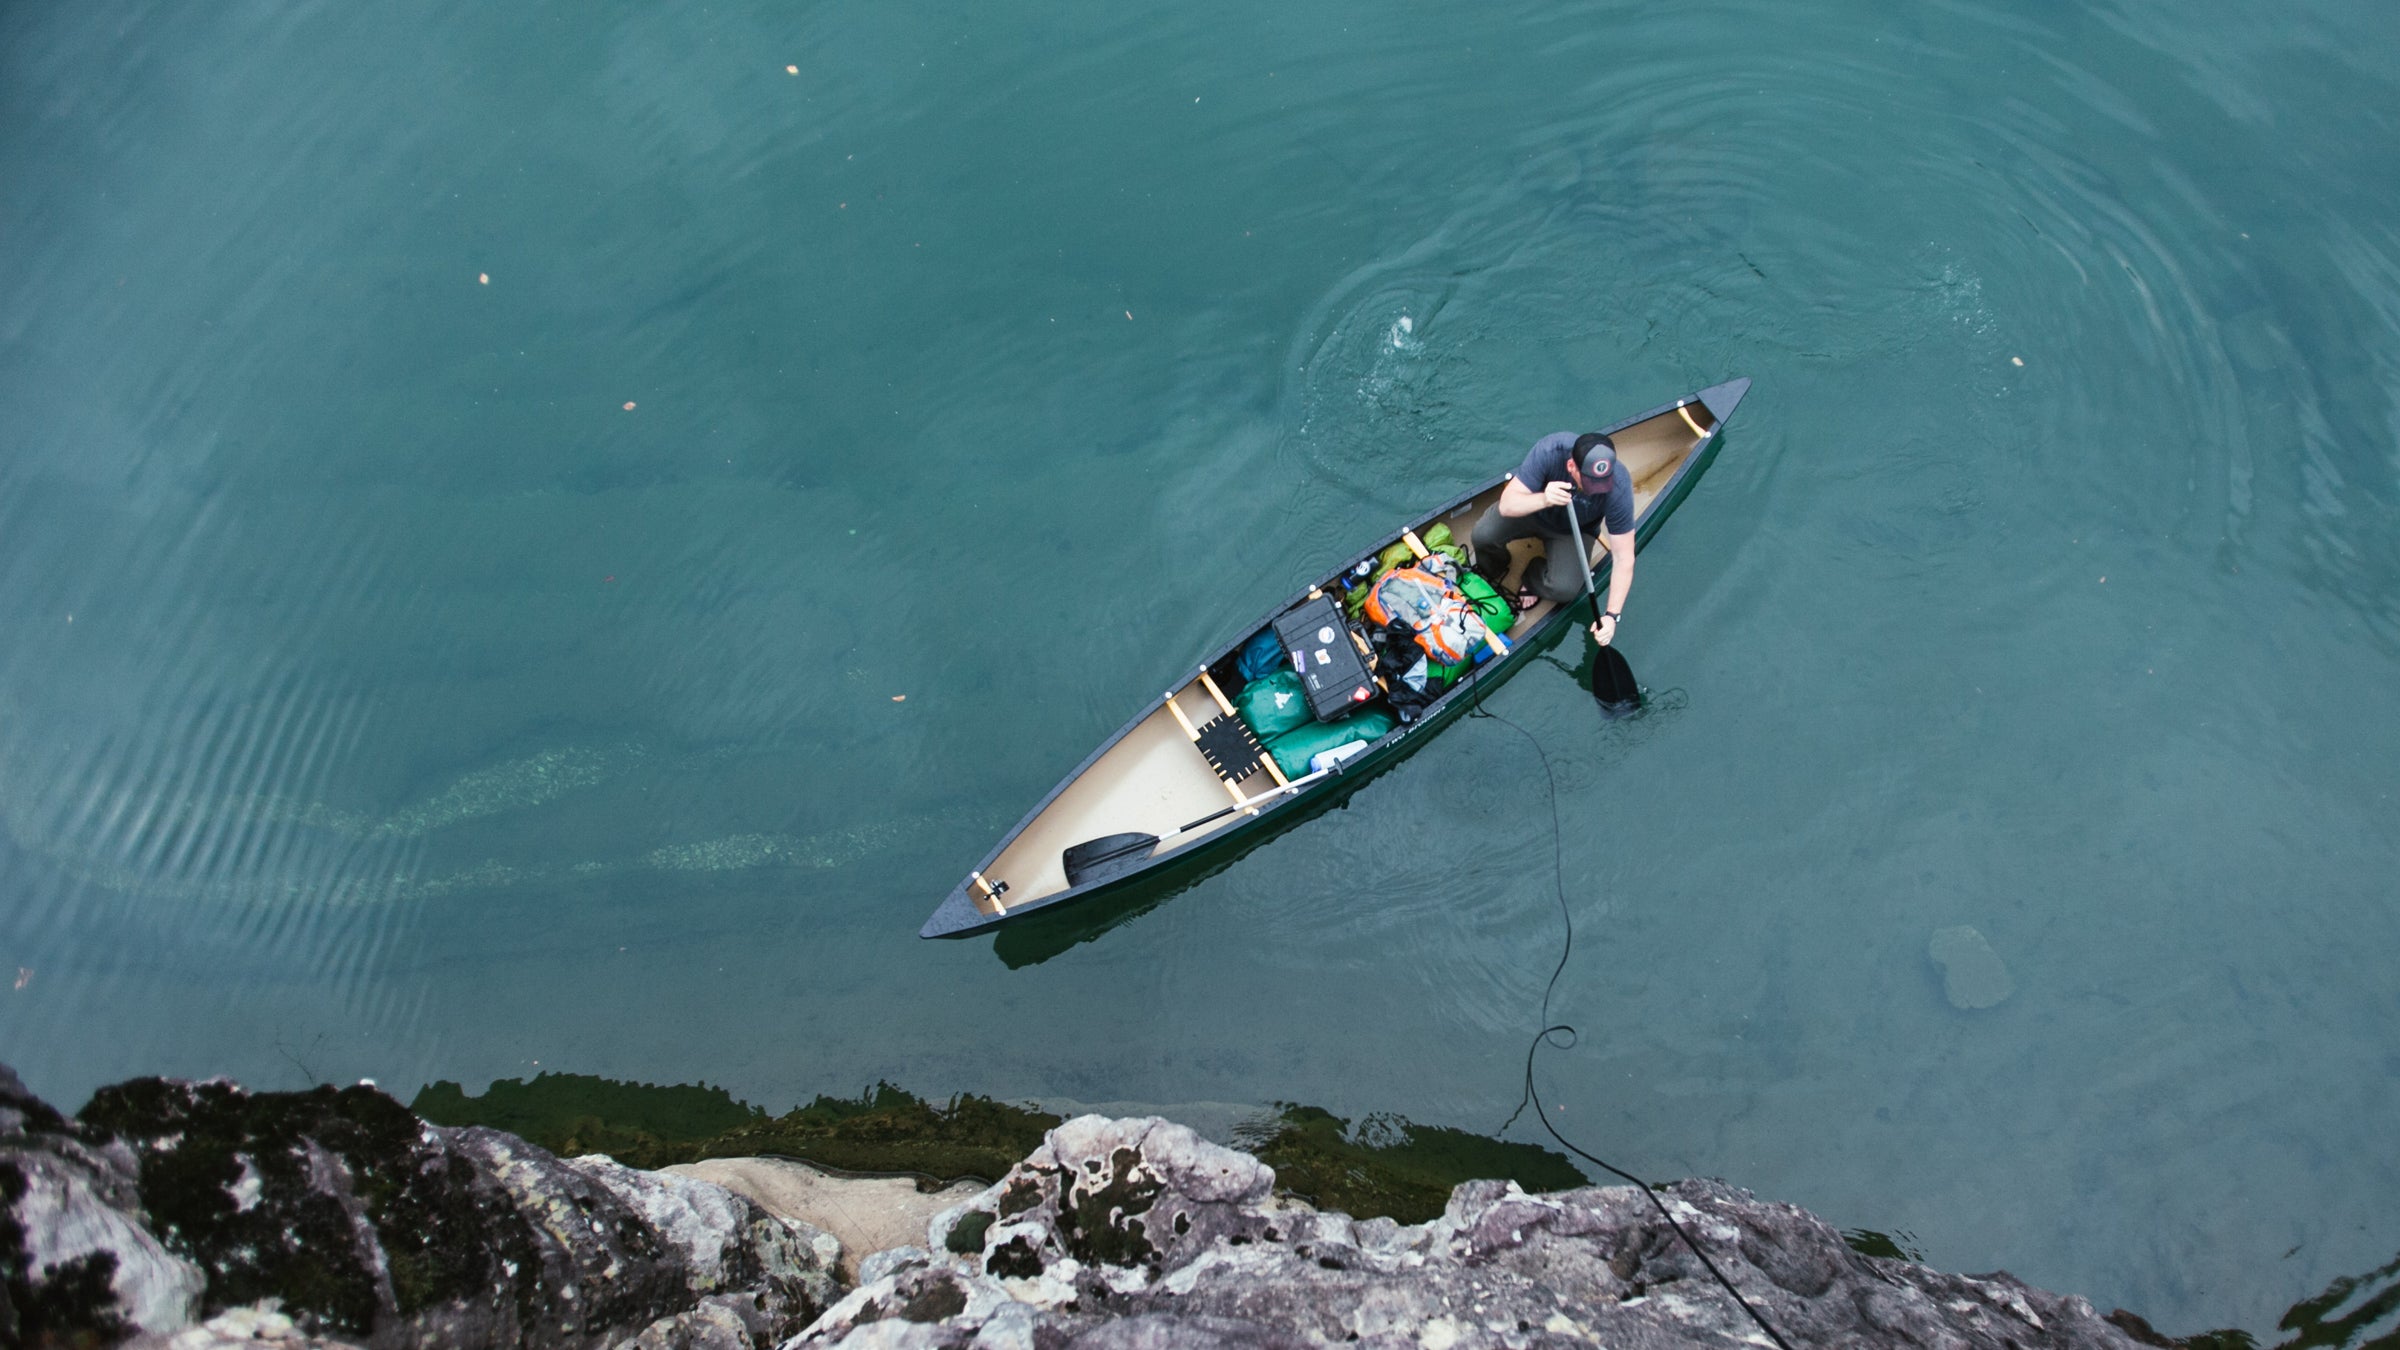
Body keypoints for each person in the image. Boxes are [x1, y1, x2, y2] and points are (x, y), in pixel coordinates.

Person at [1470, 431, 1635, 646]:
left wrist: (1612, 616)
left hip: (1573, 530)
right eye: (1589, 483)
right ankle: (1494, 566)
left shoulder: (1618, 487)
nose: (1596, 491)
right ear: (1571, 467)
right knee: (1482, 535)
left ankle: (1532, 577)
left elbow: (1624, 558)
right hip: (1534, 509)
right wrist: (1545, 499)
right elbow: (1508, 504)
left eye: (1602, 483)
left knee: (1564, 589)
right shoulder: (1550, 450)